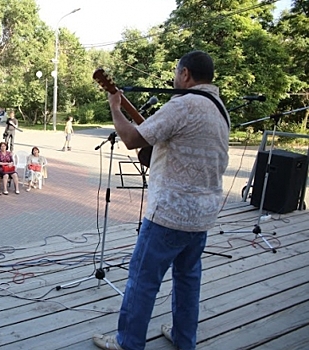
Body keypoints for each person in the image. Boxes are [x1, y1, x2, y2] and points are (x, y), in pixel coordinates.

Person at [92, 51, 230, 350]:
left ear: (185, 75)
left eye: (176, 72)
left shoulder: (182, 104)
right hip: (203, 215)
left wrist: (115, 107)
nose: (174, 77)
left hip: (170, 214)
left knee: (142, 281)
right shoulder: (220, 108)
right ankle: (184, 339)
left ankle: (128, 343)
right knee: (188, 280)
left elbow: (131, 138)